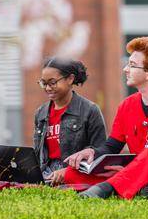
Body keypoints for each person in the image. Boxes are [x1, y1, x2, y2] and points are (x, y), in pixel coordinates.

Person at [64, 37, 148, 199]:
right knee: (72, 173)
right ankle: (140, 188)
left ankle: (104, 190)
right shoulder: (127, 105)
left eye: (132, 65)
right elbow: (112, 146)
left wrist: (129, 171)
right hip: (136, 172)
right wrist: (91, 152)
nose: (126, 69)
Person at [34, 57, 107, 185]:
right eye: (43, 83)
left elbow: (99, 151)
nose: (48, 88)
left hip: (77, 175)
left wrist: (69, 171)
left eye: (52, 82)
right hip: (46, 176)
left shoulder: (89, 110)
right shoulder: (41, 113)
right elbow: (37, 153)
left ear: (70, 79)